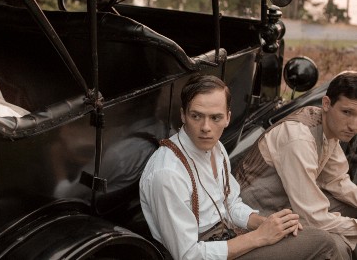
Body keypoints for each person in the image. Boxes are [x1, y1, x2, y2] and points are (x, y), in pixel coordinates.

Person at [139, 74, 339, 260]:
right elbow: (189, 255)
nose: (206, 127)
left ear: (227, 117)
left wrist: (264, 223)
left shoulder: (215, 147)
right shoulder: (167, 174)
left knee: (303, 231)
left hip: (228, 235)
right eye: (196, 116)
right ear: (183, 115)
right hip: (209, 252)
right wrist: (259, 237)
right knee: (324, 243)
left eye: (215, 118)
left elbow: (230, 205)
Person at [235, 71, 357, 259]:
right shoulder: (298, 138)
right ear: (326, 104)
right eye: (347, 112)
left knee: (351, 208)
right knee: (335, 245)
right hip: (259, 217)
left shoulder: (329, 128)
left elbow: (338, 181)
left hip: (289, 207)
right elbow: (313, 217)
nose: (353, 126)